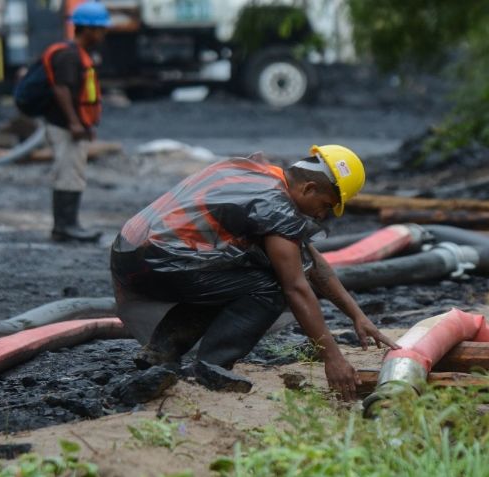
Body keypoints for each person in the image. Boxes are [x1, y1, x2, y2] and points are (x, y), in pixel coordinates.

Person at [110, 145, 400, 401]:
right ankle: (209, 368)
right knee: (270, 284)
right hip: (162, 260)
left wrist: (357, 315)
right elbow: (296, 287)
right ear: (308, 188)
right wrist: (332, 358)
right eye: (325, 206)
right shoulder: (276, 207)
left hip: (134, 252)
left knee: (237, 278)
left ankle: (160, 352)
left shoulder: (264, 178)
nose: (322, 215)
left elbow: (313, 263)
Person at [42, 1, 109, 242]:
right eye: (100, 28)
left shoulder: (78, 54)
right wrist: (74, 123)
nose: (103, 33)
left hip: (73, 125)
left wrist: (85, 124)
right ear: (88, 29)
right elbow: (61, 90)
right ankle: (65, 227)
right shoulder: (70, 56)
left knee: (73, 173)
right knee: (68, 173)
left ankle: (68, 225)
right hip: (64, 126)